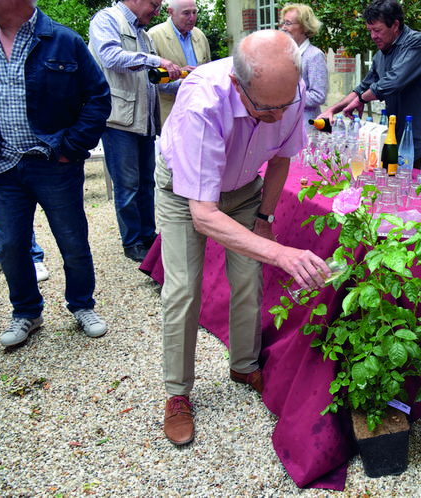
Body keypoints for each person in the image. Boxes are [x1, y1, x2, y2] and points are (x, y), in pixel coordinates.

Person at [156, 30, 331, 446]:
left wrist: (265, 218)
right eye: (266, 108)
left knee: (250, 280)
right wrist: (280, 253)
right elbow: (203, 215)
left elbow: (282, 158)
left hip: (244, 190)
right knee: (183, 290)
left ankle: (244, 364)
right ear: (238, 85)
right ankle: (177, 393)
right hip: (186, 195)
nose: (279, 115)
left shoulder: (288, 93)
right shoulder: (202, 101)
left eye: (287, 104)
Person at [0, 0, 111, 347]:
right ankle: (26, 313)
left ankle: (82, 305)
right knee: (11, 246)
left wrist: (71, 149)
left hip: (53, 164)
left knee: (72, 241)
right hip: (3, 166)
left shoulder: (64, 40)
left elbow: (99, 98)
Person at [89, 0, 183, 262]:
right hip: (119, 122)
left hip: (144, 121)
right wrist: (155, 59)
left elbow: (154, 81)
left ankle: (147, 235)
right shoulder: (105, 20)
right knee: (127, 186)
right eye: (154, 4)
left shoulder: (142, 34)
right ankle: (132, 242)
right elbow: (111, 57)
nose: (157, 12)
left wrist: (188, 80)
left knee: (145, 183)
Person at [318, 0, 421, 167]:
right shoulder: (380, 56)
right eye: (370, 30)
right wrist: (332, 109)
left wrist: (362, 99)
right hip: (395, 135)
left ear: (395, 25)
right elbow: (362, 88)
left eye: (377, 30)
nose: (373, 36)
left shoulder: (416, 43)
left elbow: (392, 82)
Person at [148, 0, 211, 124]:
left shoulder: (200, 36)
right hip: (170, 116)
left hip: (200, 114)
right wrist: (184, 82)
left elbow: (209, 71)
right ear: (170, 12)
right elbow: (149, 81)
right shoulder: (154, 36)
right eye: (186, 13)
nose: (192, 18)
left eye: (194, 12)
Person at [280, 3, 327, 123]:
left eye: (288, 23)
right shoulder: (285, 54)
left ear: (304, 27)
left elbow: (319, 96)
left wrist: (286, 98)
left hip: (305, 126)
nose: (283, 27)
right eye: (283, 23)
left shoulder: (315, 55)